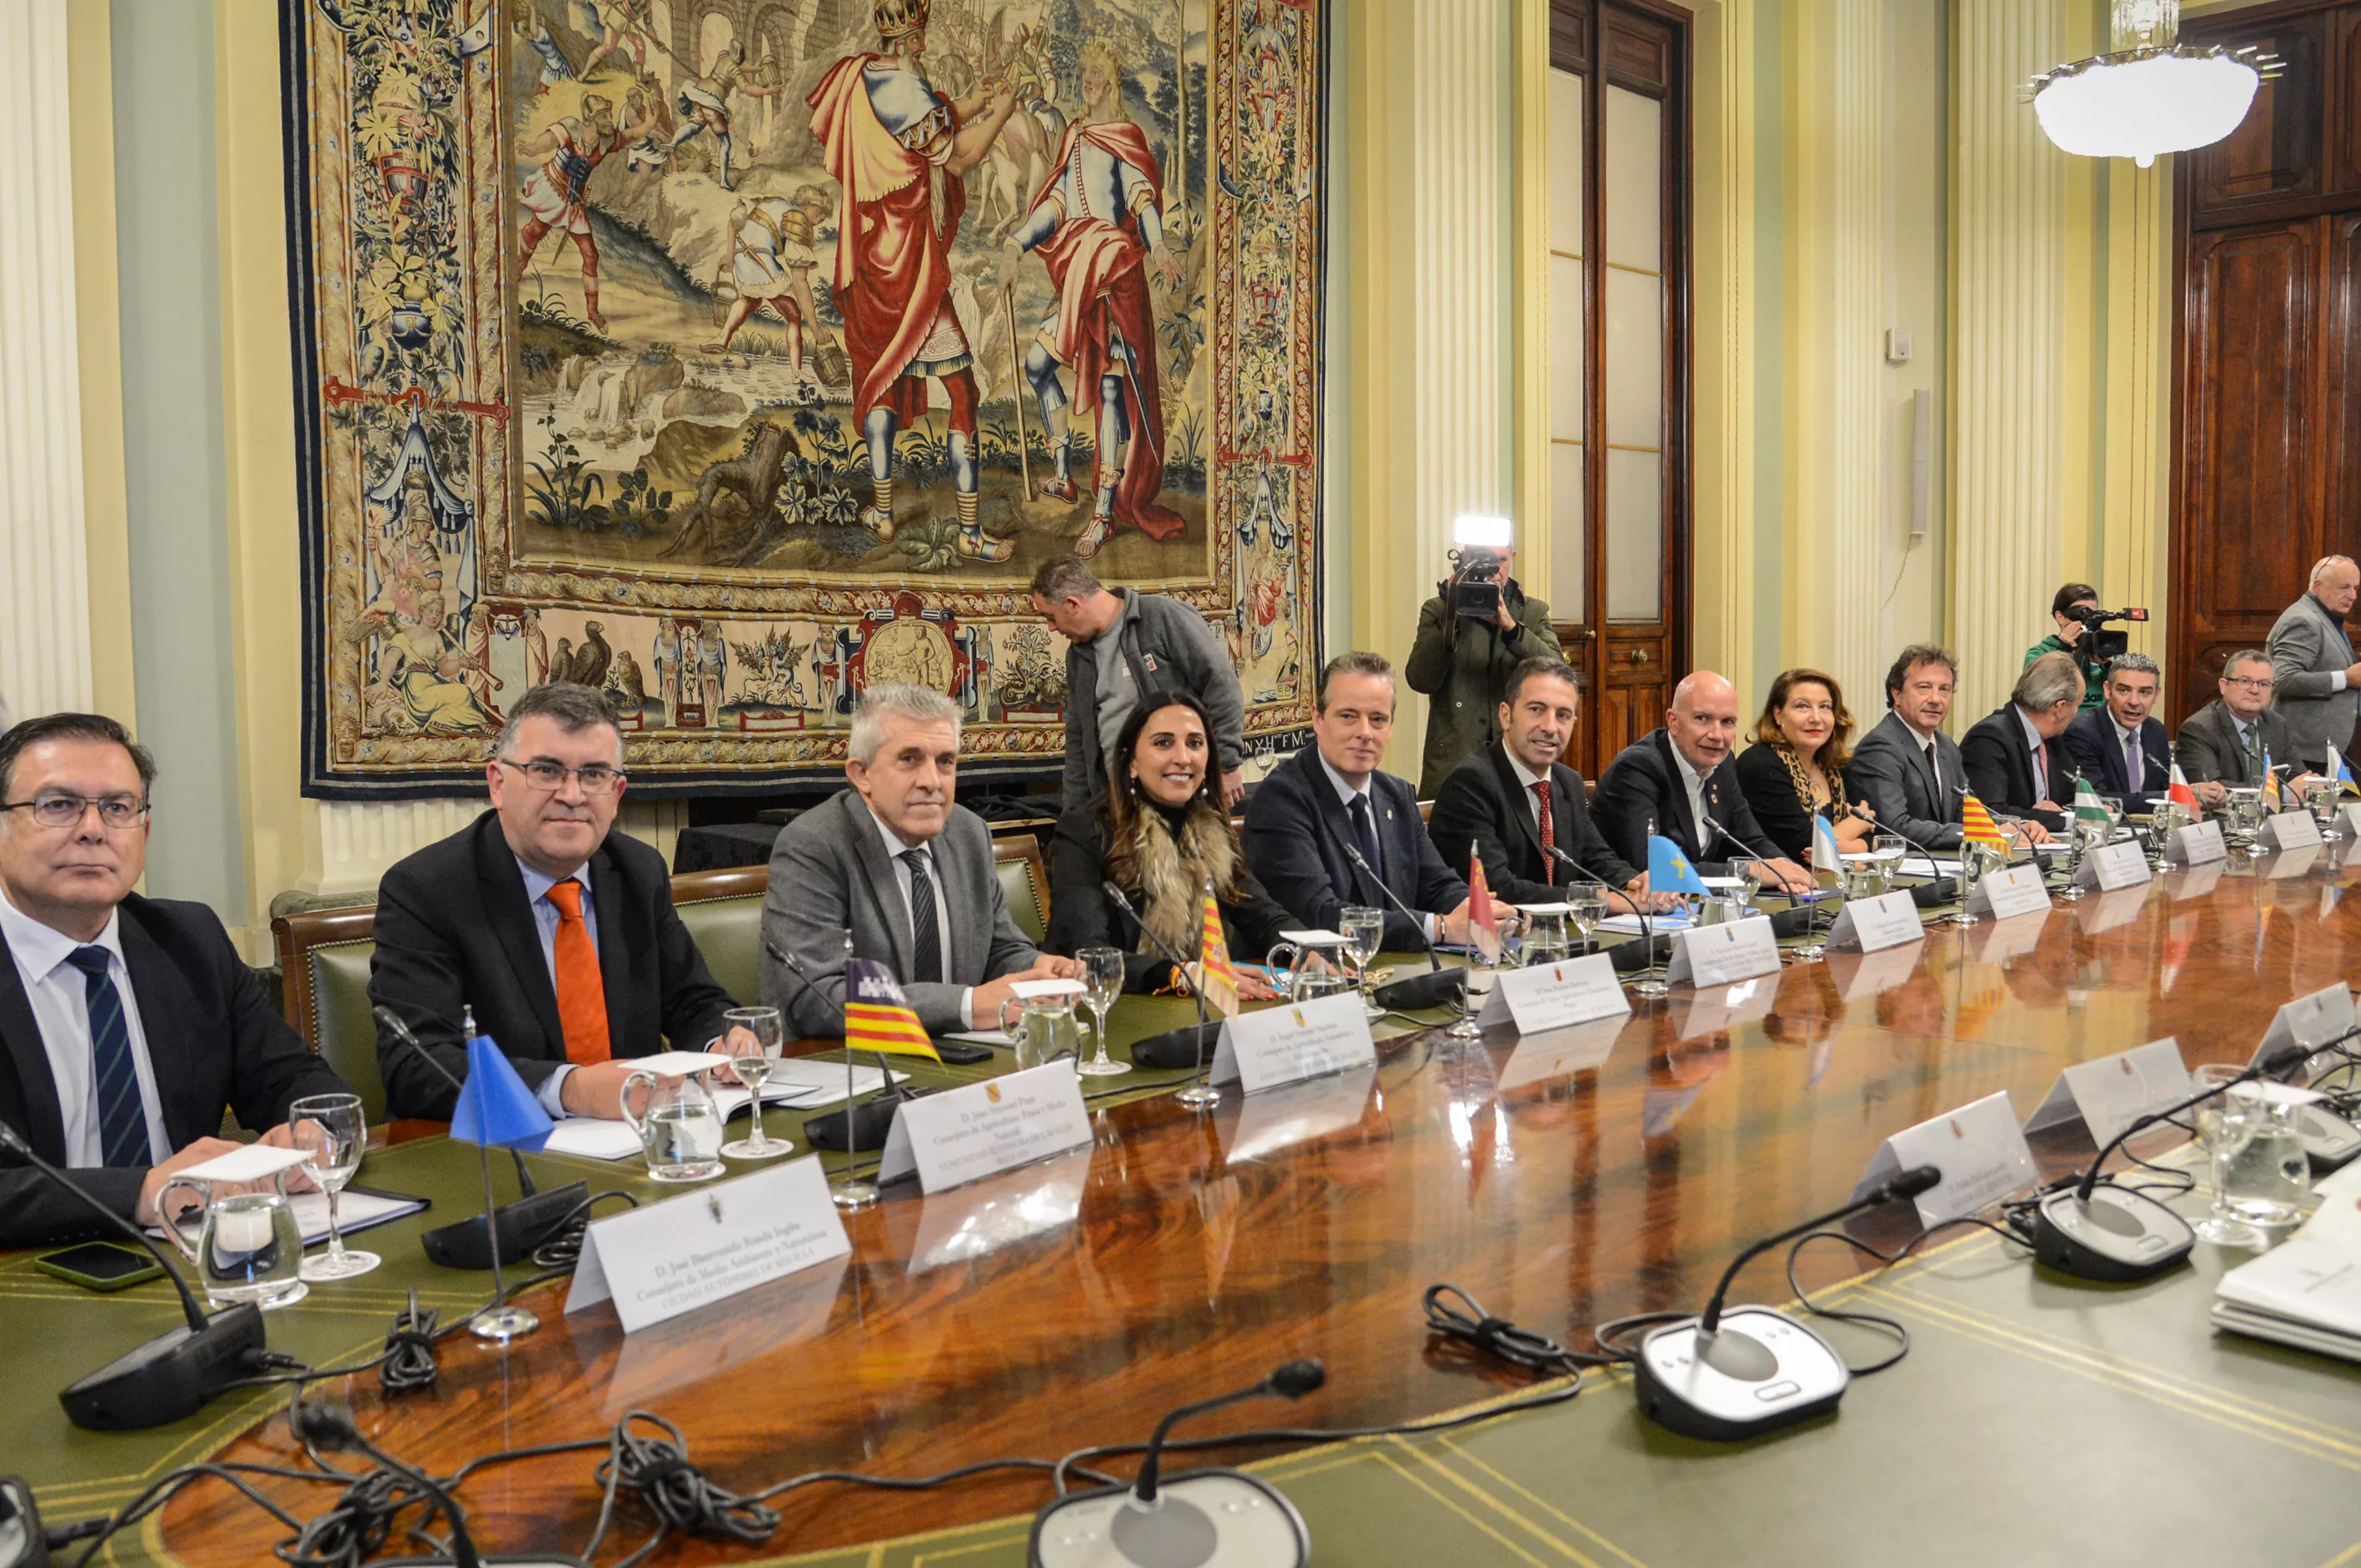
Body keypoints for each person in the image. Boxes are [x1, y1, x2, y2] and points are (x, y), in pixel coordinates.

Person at [0, 714, 349, 1247]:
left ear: (144, 832)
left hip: (196, 1250)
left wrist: (313, 1132)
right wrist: (137, 1192)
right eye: (58, 805)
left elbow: (292, 1078)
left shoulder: (189, 939)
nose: (92, 829)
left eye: (118, 807)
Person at [369, 684, 742, 1122]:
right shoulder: (426, 890)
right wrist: (568, 1089)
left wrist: (720, 1042)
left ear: (617, 794)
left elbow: (691, 1000)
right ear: (498, 784)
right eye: (546, 771)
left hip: (637, 1138)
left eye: (594, 775)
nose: (572, 795)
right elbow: (416, 1065)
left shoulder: (639, 872)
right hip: (501, 1146)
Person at [808, 0, 1024, 559]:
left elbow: (923, 123)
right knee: (962, 392)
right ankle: (969, 534)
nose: (926, 44)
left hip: (873, 258)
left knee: (881, 378)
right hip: (911, 268)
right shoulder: (906, 88)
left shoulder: (864, 74)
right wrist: (1002, 113)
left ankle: (882, 515)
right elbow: (958, 158)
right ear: (909, 40)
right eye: (921, 36)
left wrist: (974, 100)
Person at [761, 684, 1080, 1037]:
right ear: (862, 774)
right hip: (850, 1059)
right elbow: (815, 998)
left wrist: (1038, 970)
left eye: (945, 762)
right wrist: (966, 1005)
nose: (932, 782)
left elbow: (996, 949)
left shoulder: (969, 833)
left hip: (964, 1054)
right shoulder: (814, 845)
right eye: (909, 759)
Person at [1002, 38, 1188, 556]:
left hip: (1113, 279)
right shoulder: (1076, 136)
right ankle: (1064, 476)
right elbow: (1058, 205)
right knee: (1038, 366)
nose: (1086, 79)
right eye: (1082, 70)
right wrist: (1017, 242)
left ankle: (1104, 512)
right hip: (1077, 280)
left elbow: (1141, 200)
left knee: (1110, 391)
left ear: (1111, 81)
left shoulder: (1123, 138)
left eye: (1095, 72)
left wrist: (1159, 246)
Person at [1046, 692, 1289, 996]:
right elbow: (1085, 953)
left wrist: (1312, 951)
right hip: (1110, 1006)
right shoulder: (1085, 830)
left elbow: (1265, 917)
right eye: (1163, 743)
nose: (1183, 758)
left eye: (1195, 743)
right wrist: (1181, 974)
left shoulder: (1212, 831)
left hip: (1194, 1007)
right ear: (1131, 761)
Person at [1242, 652, 1476, 952]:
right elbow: (1321, 915)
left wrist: (1475, 911)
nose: (1364, 733)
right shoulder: (1281, 799)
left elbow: (1437, 883)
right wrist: (1440, 928)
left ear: (1391, 728)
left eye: (1378, 719)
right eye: (1348, 716)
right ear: (1318, 719)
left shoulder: (1397, 794)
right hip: (1309, 973)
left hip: (1393, 969)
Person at [1427, 656, 1654, 909]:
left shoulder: (1568, 782)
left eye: (1563, 715)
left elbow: (1597, 859)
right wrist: (1602, 901)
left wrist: (1636, 884)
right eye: (1536, 709)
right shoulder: (1470, 783)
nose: (1550, 727)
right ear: (1505, 716)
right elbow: (1496, 888)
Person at [1031, 558, 1247, 810]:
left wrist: (1226, 765)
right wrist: (1073, 812)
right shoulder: (1078, 657)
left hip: (1185, 799)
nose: (1051, 627)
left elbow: (1222, 687)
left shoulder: (1161, 617)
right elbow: (1078, 737)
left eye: (1051, 617)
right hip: (1119, 807)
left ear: (1072, 604)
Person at [1592, 672, 1811, 889]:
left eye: (1727, 722)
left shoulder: (1722, 763)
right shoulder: (1638, 768)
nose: (1717, 735)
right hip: (1626, 905)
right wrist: (1749, 871)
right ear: (1673, 721)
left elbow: (1750, 839)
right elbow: (1652, 866)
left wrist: (1787, 872)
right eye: (1702, 719)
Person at [1402, 545, 1560, 799]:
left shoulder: (1532, 611)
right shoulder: (1439, 609)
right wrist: (1451, 614)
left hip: (1517, 762)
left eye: (1500, 560)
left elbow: (1557, 674)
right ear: (1464, 558)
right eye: (1481, 560)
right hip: (1453, 766)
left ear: (1513, 558)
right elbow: (1420, 680)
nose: (1493, 571)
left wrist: (1511, 628)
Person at [516, 92, 655, 331]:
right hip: (553, 188)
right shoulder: (573, 128)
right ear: (590, 117)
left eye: (609, 115)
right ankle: (519, 266)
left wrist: (648, 125)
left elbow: (631, 136)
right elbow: (549, 140)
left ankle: (593, 312)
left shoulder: (606, 141)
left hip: (574, 202)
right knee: (535, 231)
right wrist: (533, 148)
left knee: (591, 255)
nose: (609, 120)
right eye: (604, 116)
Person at [1731, 668, 1877, 865]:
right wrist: (1858, 822)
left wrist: (1856, 846)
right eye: (1802, 706)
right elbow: (1803, 848)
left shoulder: (1836, 765)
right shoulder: (1760, 764)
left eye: (1825, 707)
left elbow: (1874, 833)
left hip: (1831, 878)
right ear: (1778, 715)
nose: (1816, 718)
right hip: (1775, 881)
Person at [1849, 645, 1968, 853]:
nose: (1935, 699)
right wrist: (1971, 833)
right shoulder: (1880, 747)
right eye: (1924, 688)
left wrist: (2010, 827)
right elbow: (1894, 827)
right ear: (1897, 694)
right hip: (1897, 867)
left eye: (1944, 689)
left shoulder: (1946, 746)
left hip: (1944, 864)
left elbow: (1968, 811)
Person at [1960, 652, 2081, 837]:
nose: (2077, 713)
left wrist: (2068, 811)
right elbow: (1991, 813)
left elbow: (2076, 796)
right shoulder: (1989, 738)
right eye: (2078, 705)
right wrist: (2063, 818)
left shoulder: (2051, 739)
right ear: (2060, 707)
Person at [2268, 555, 2361, 771]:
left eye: (2356, 588)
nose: (2352, 596)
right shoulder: (2304, 620)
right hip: (2306, 752)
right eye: (2344, 587)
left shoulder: (2327, 617)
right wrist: (2346, 679)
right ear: (2318, 586)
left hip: (2327, 746)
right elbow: (2284, 679)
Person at [2174, 650, 2294, 806]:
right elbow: (2212, 791)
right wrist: (2282, 792)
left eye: (2264, 684)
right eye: (2245, 681)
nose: (2255, 690)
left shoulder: (2276, 724)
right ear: (2224, 686)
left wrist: (2309, 784)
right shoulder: (2199, 729)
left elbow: (2296, 776)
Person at [2064, 653, 2173, 804]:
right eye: (2124, 690)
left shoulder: (2156, 730)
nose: (2134, 702)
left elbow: (2167, 786)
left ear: (2156, 695)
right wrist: (2166, 798)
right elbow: (2096, 800)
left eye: (2144, 692)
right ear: (2107, 690)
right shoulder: (2083, 732)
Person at [2022, 582, 2109, 714]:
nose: (2087, 621)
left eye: (2093, 615)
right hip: (2060, 722)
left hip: (2099, 722)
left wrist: (2106, 664)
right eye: (2081, 614)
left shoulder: (2104, 651)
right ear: (2060, 617)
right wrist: (2064, 647)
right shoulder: (2039, 654)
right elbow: (2037, 693)